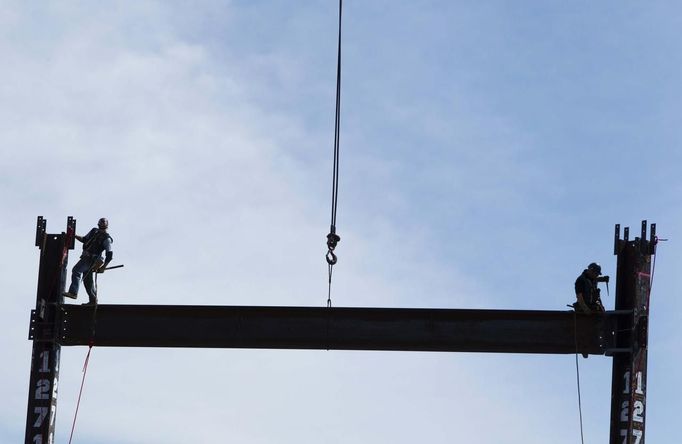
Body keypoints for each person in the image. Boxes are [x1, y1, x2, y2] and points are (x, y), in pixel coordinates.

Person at [63, 217, 113, 305]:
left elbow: (109, 255)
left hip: (92, 260)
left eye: (103, 228)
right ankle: (93, 300)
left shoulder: (107, 239)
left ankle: (73, 292)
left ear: (106, 227)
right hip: (87, 257)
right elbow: (84, 239)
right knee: (88, 280)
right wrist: (74, 235)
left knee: (76, 270)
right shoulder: (94, 231)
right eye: (101, 227)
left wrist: (103, 267)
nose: (101, 229)